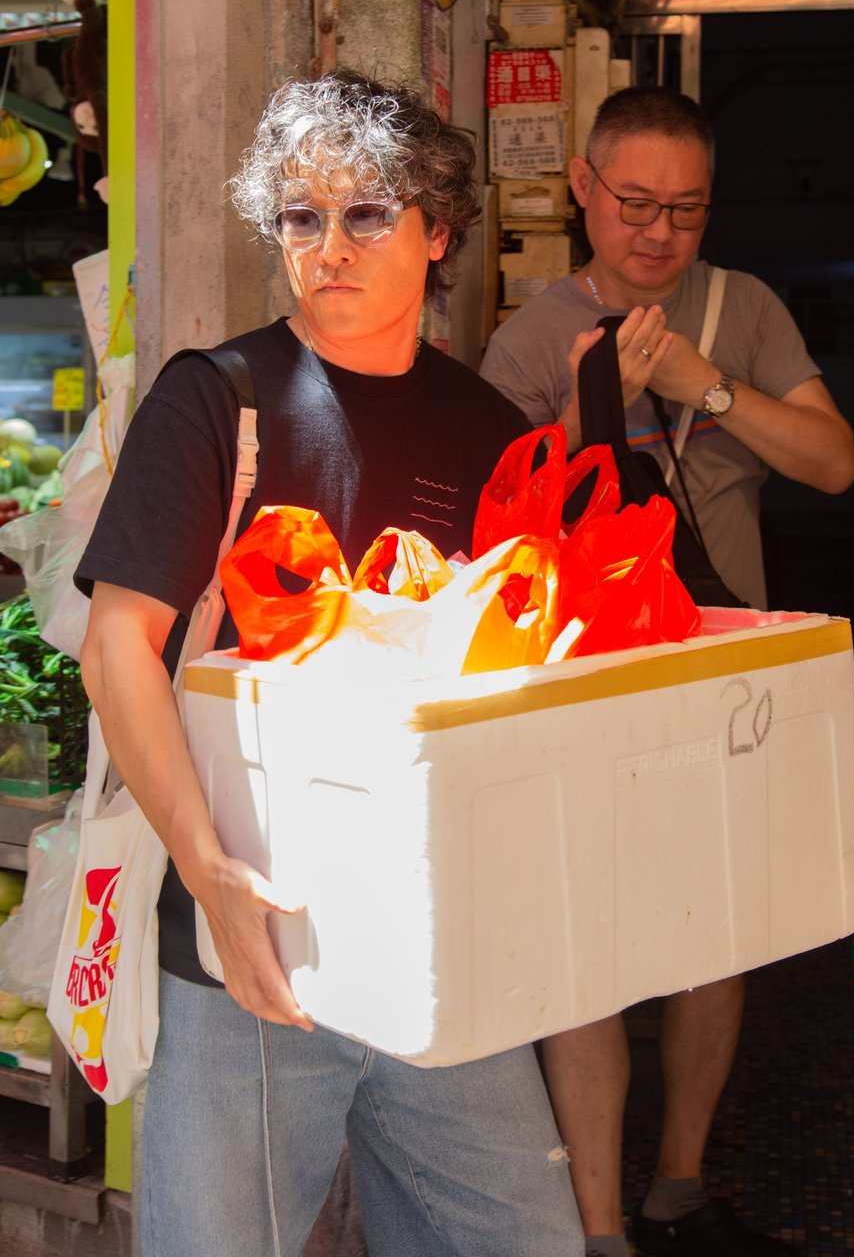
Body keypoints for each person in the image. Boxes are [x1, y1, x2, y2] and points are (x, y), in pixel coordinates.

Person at [75, 70, 585, 1257]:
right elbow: (117, 648)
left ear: (436, 229)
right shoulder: (216, 400)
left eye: (365, 214)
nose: (329, 245)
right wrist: (208, 874)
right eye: (301, 217)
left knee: (521, 1241)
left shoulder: (488, 431)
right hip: (248, 935)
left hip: (433, 933)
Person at [480, 86, 854, 1257]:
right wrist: (601, 406)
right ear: (584, 189)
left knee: (716, 931)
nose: (657, 233)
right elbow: (496, 544)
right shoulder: (529, 341)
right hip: (584, 684)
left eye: (685, 211)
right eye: (635, 202)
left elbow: (835, 464)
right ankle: (598, 1227)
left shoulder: (741, 311)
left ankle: (679, 1187)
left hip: (720, 678)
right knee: (580, 946)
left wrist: (703, 385)